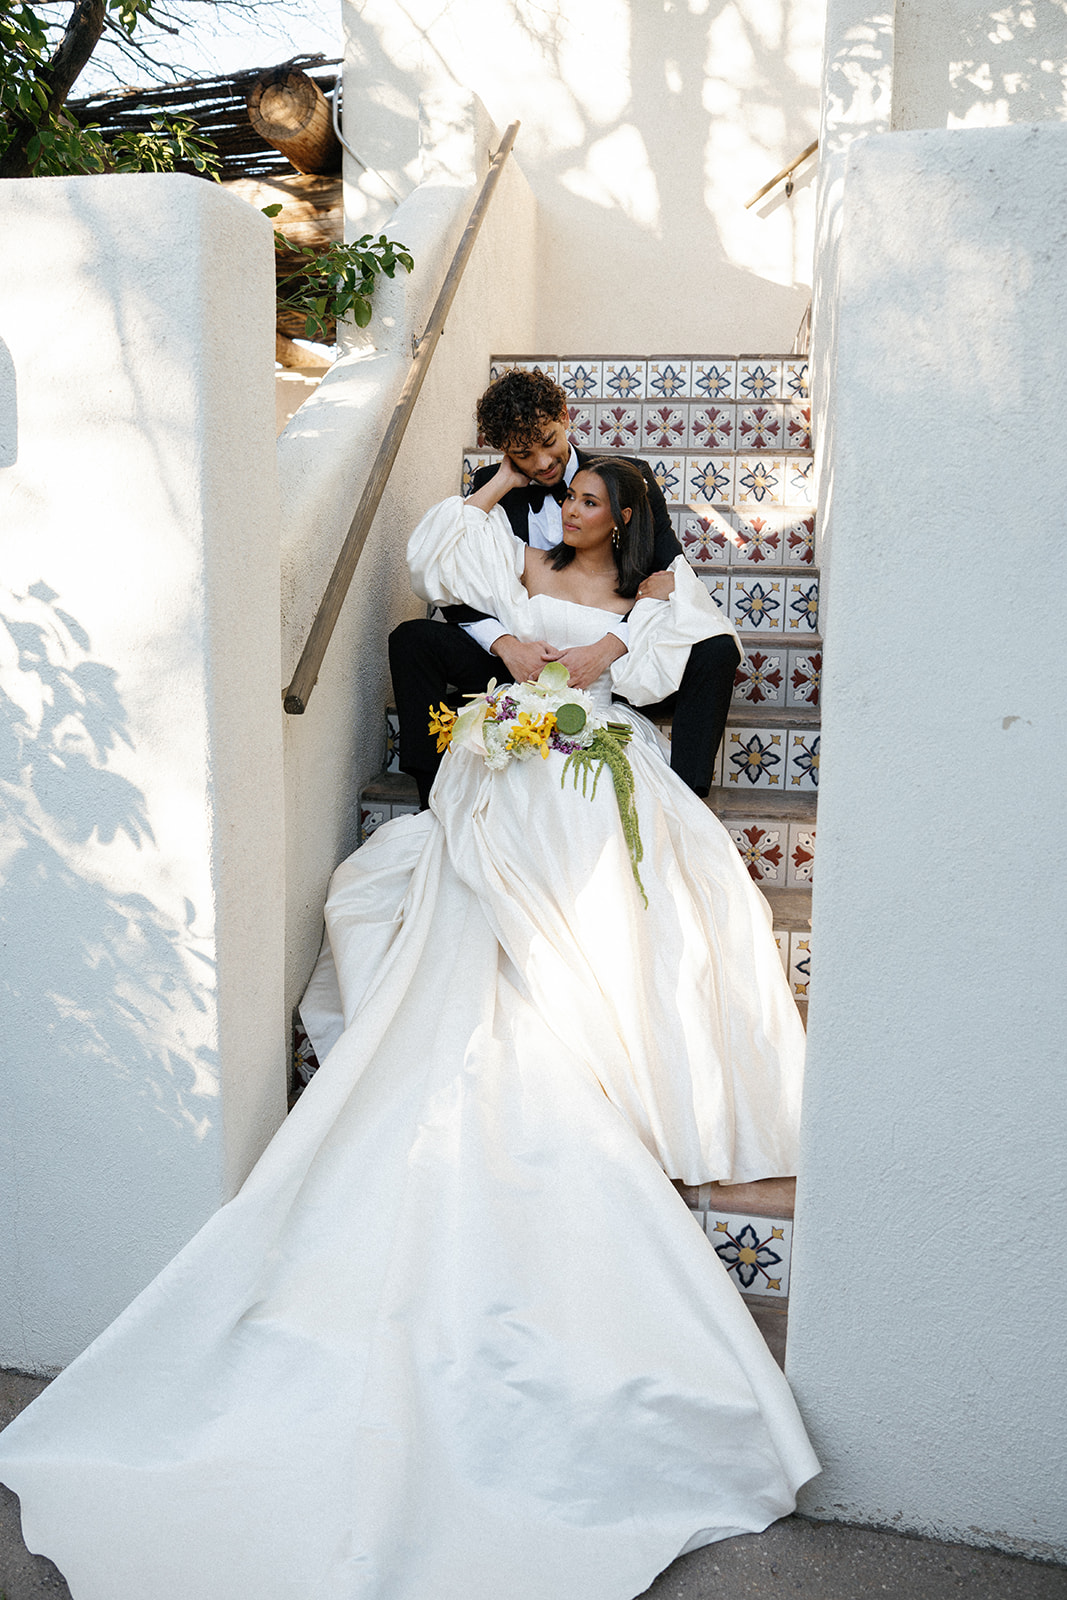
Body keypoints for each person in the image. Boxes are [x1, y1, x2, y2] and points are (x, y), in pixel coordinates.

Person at [0, 459, 817, 1600]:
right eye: (564, 496)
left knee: (581, 819)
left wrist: (611, 652)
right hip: (503, 740)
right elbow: (440, 548)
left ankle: (571, 981)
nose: (563, 511)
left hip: (593, 750)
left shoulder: (654, 592)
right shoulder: (522, 560)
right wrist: (501, 550)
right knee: (452, 828)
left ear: (625, 518)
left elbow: (698, 646)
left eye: (584, 500)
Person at [389, 366, 741, 807]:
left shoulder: (630, 478)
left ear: (566, 416)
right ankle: (434, 796)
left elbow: (670, 580)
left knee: (715, 647)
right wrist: (505, 646)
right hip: (519, 661)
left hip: (612, 667)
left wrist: (607, 648)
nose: (541, 463)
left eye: (549, 441)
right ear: (503, 452)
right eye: (522, 453)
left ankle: (688, 799)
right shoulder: (490, 489)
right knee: (412, 640)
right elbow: (450, 578)